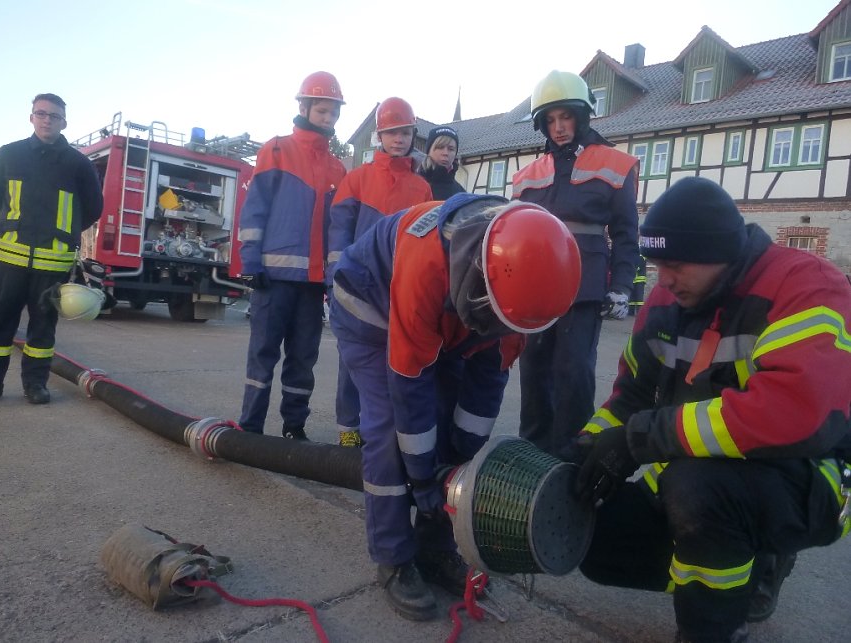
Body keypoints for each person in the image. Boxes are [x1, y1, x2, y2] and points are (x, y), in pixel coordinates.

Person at [574, 177, 851, 643]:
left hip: (810, 479)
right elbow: (633, 395)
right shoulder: (667, 299)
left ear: (718, 254)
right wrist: (589, 445)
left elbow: (792, 413)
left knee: (700, 491)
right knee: (594, 539)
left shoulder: (806, 286)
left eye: (675, 265)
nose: (662, 279)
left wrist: (640, 439)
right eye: (657, 264)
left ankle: (717, 622)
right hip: (699, 475)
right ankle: (728, 567)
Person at [329, 193, 580, 620]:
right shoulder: (425, 261)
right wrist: (424, 475)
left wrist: (463, 458)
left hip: (449, 315)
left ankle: (435, 546)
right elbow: (410, 385)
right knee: (393, 431)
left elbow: (486, 384)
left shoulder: (520, 288)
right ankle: (393, 558)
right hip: (372, 308)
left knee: (445, 429)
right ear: (485, 279)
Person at [512, 70, 640, 461]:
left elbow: (625, 234)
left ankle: (570, 460)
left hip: (585, 284)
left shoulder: (616, 163)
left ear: (581, 116)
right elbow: (514, 235)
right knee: (533, 372)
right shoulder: (526, 175)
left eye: (565, 117)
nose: (558, 127)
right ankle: (532, 456)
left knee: (574, 374)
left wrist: (621, 286)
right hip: (536, 287)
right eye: (550, 120)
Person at [237, 71, 347, 439]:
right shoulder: (277, 149)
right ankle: (250, 428)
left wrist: (333, 278)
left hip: (312, 284)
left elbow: (337, 229)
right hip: (273, 278)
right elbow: (255, 209)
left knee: (303, 361)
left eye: (333, 110)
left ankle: (293, 428)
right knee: (263, 356)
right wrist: (251, 261)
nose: (328, 116)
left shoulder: (337, 168)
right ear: (304, 106)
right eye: (322, 108)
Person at [328, 97, 433, 447]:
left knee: (397, 358)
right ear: (379, 136)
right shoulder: (357, 179)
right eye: (391, 133)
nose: (399, 139)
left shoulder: (422, 188)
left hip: (402, 286)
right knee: (352, 359)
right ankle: (348, 427)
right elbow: (339, 230)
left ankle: (389, 428)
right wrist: (335, 279)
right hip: (360, 284)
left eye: (404, 132)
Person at [0, 93, 103, 404]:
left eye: (53, 116)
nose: (46, 120)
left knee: (43, 328)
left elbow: (93, 208)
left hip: (52, 262)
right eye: (40, 113)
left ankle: (35, 386)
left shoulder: (78, 164)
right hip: (10, 257)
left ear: (63, 122)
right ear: (31, 117)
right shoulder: (8, 154)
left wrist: (62, 235)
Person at [419, 126, 464, 200]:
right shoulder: (414, 184)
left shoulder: (460, 194)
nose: (445, 153)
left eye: (451, 149)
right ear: (429, 151)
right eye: (440, 147)